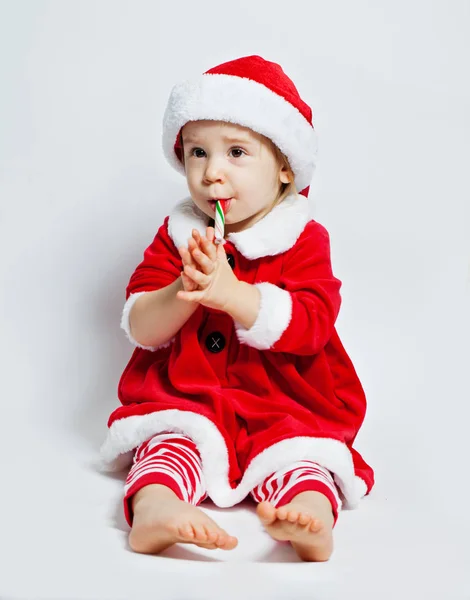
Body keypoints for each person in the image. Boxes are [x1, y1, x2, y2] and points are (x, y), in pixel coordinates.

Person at [100, 55, 375, 562]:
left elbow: (312, 326)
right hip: (193, 396)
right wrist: (183, 287)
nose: (211, 173)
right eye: (198, 152)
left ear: (286, 167)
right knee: (166, 443)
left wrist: (234, 296)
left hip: (286, 403)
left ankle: (307, 515)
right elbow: (142, 326)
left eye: (237, 153)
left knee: (305, 457)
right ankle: (157, 508)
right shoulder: (179, 234)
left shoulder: (302, 239)